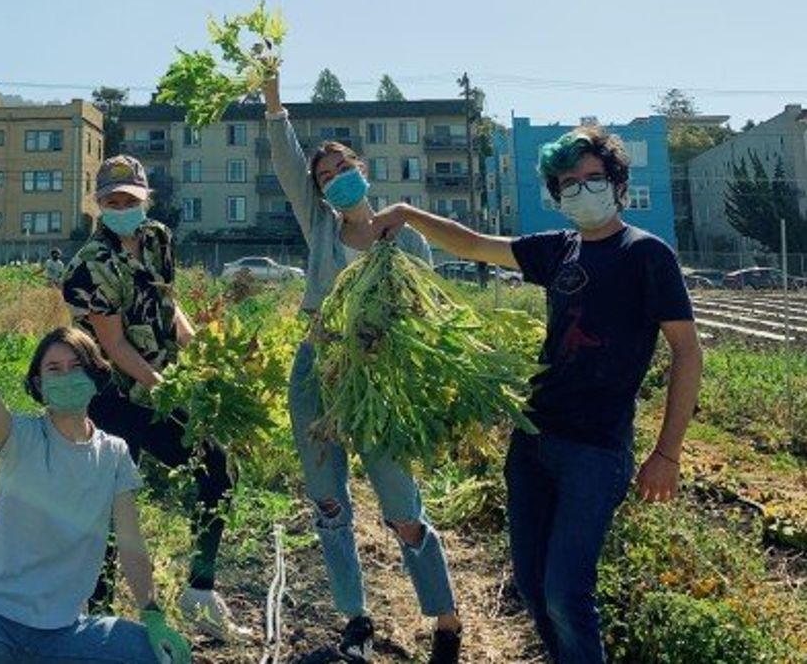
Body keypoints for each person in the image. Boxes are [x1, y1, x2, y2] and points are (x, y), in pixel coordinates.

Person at [375, 125, 703, 662]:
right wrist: (408, 215)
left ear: (618, 184)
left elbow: (687, 352)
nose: (581, 190)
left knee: (566, 593)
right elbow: (475, 244)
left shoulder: (647, 255)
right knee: (532, 587)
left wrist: (667, 453)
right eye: (568, 183)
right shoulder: (559, 251)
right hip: (532, 442)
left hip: (596, 451)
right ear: (556, 195)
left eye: (592, 178)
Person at [261, 76, 463, 663]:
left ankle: (445, 619)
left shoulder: (407, 241)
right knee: (329, 506)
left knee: (402, 507)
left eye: (340, 170)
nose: (330, 180)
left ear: (363, 170)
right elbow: (286, 163)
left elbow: (427, 316)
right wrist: (274, 103)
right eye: (322, 177)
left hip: (379, 381)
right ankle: (355, 619)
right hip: (317, 374)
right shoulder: (321, 227)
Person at [0, 327, 191, 664]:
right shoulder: (19, 437)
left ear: (95, 374)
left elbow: (131, 543)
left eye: (76, 367)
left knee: (156, 655)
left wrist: (152, 615)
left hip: (65, 632)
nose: (66, 377)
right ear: (39, 384)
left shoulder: (114, 454)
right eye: (54, 369)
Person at [61, 155, 239, 640]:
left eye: (131, 200)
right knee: (112, 504)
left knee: (217, 470)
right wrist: (169, 390)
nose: (123, 208)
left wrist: (200, 350)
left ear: (145, 200)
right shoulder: (89, 266)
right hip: (112, 396)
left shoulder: (157, 238)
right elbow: (114, 346)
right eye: (113, 201)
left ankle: (200, 594)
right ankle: (95, 616)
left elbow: (167, 301)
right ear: (99, 204)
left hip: (158, 384)